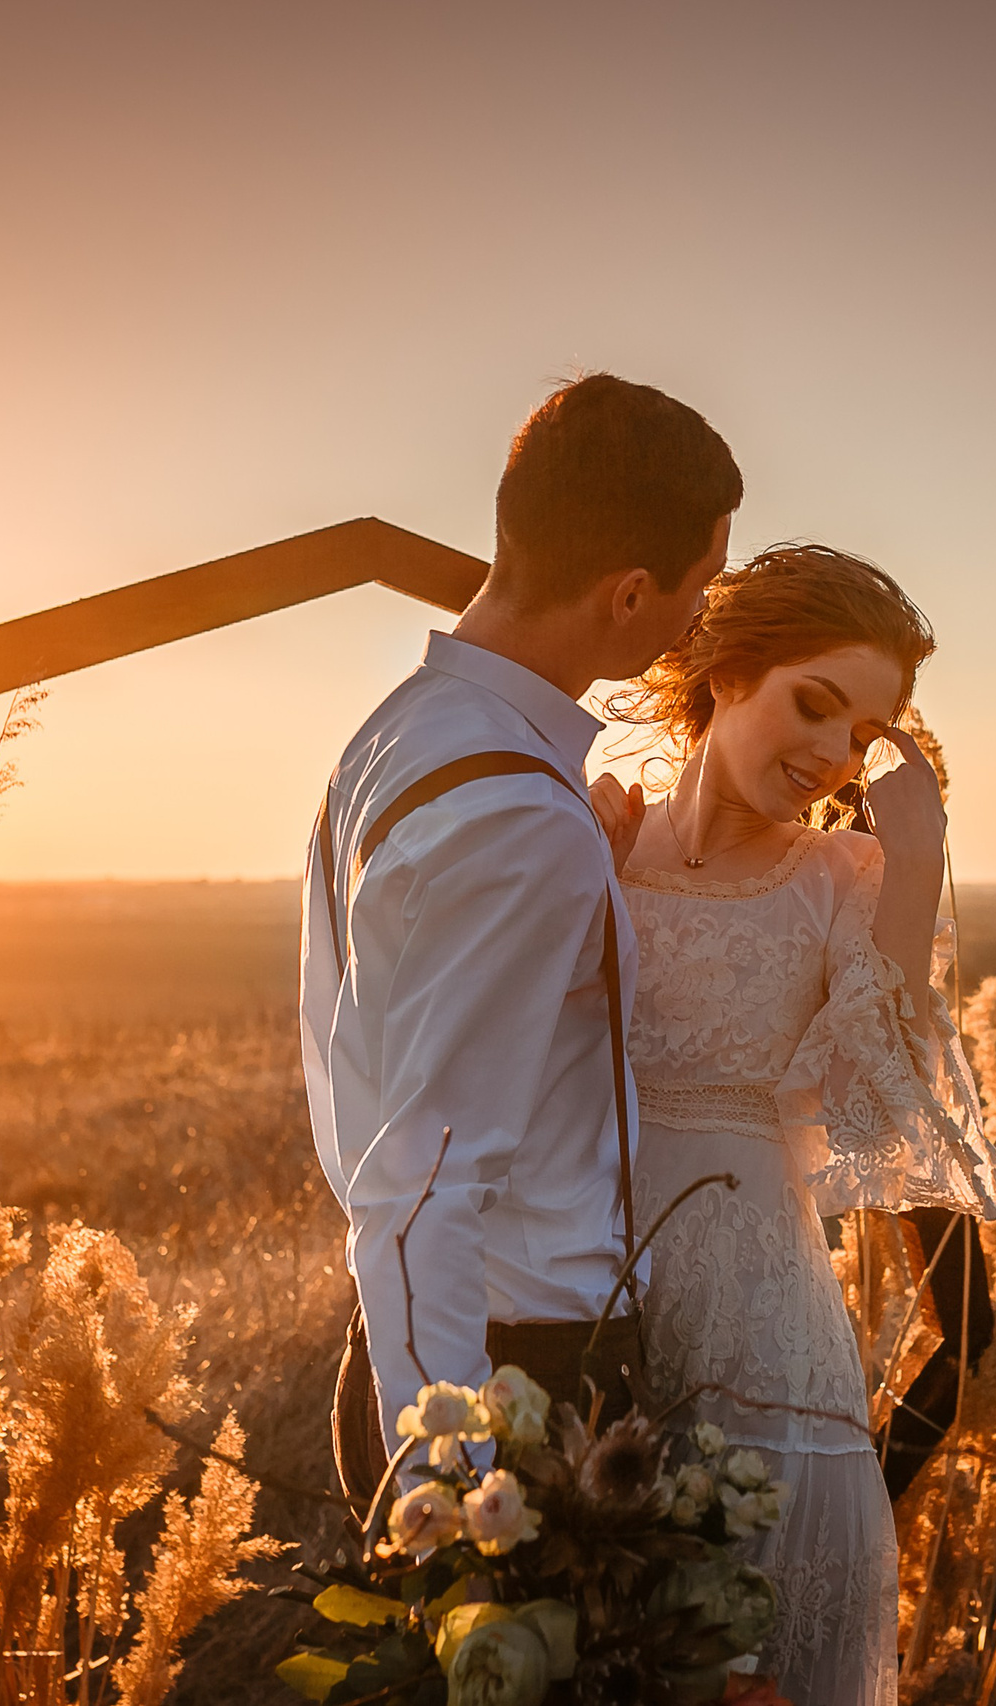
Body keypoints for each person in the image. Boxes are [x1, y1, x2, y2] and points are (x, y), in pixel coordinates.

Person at [299, 373, 742, 1503]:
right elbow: (416, 1192)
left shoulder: (400, 734)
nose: (701, 619)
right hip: (505, 1386)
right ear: (631, 593)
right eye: (699, 588)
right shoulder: (515, 819)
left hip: (450, 1353)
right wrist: (452, 1502)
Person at [593, 544, 996, 1706]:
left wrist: (914, 862)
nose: (829, 755)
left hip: (764, 1349)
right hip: (585, 1329)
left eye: (862, 731)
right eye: (811, 703)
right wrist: (579, 866)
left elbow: (888, 1116)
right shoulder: (595, 842)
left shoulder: (838, 877)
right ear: (726, 671)